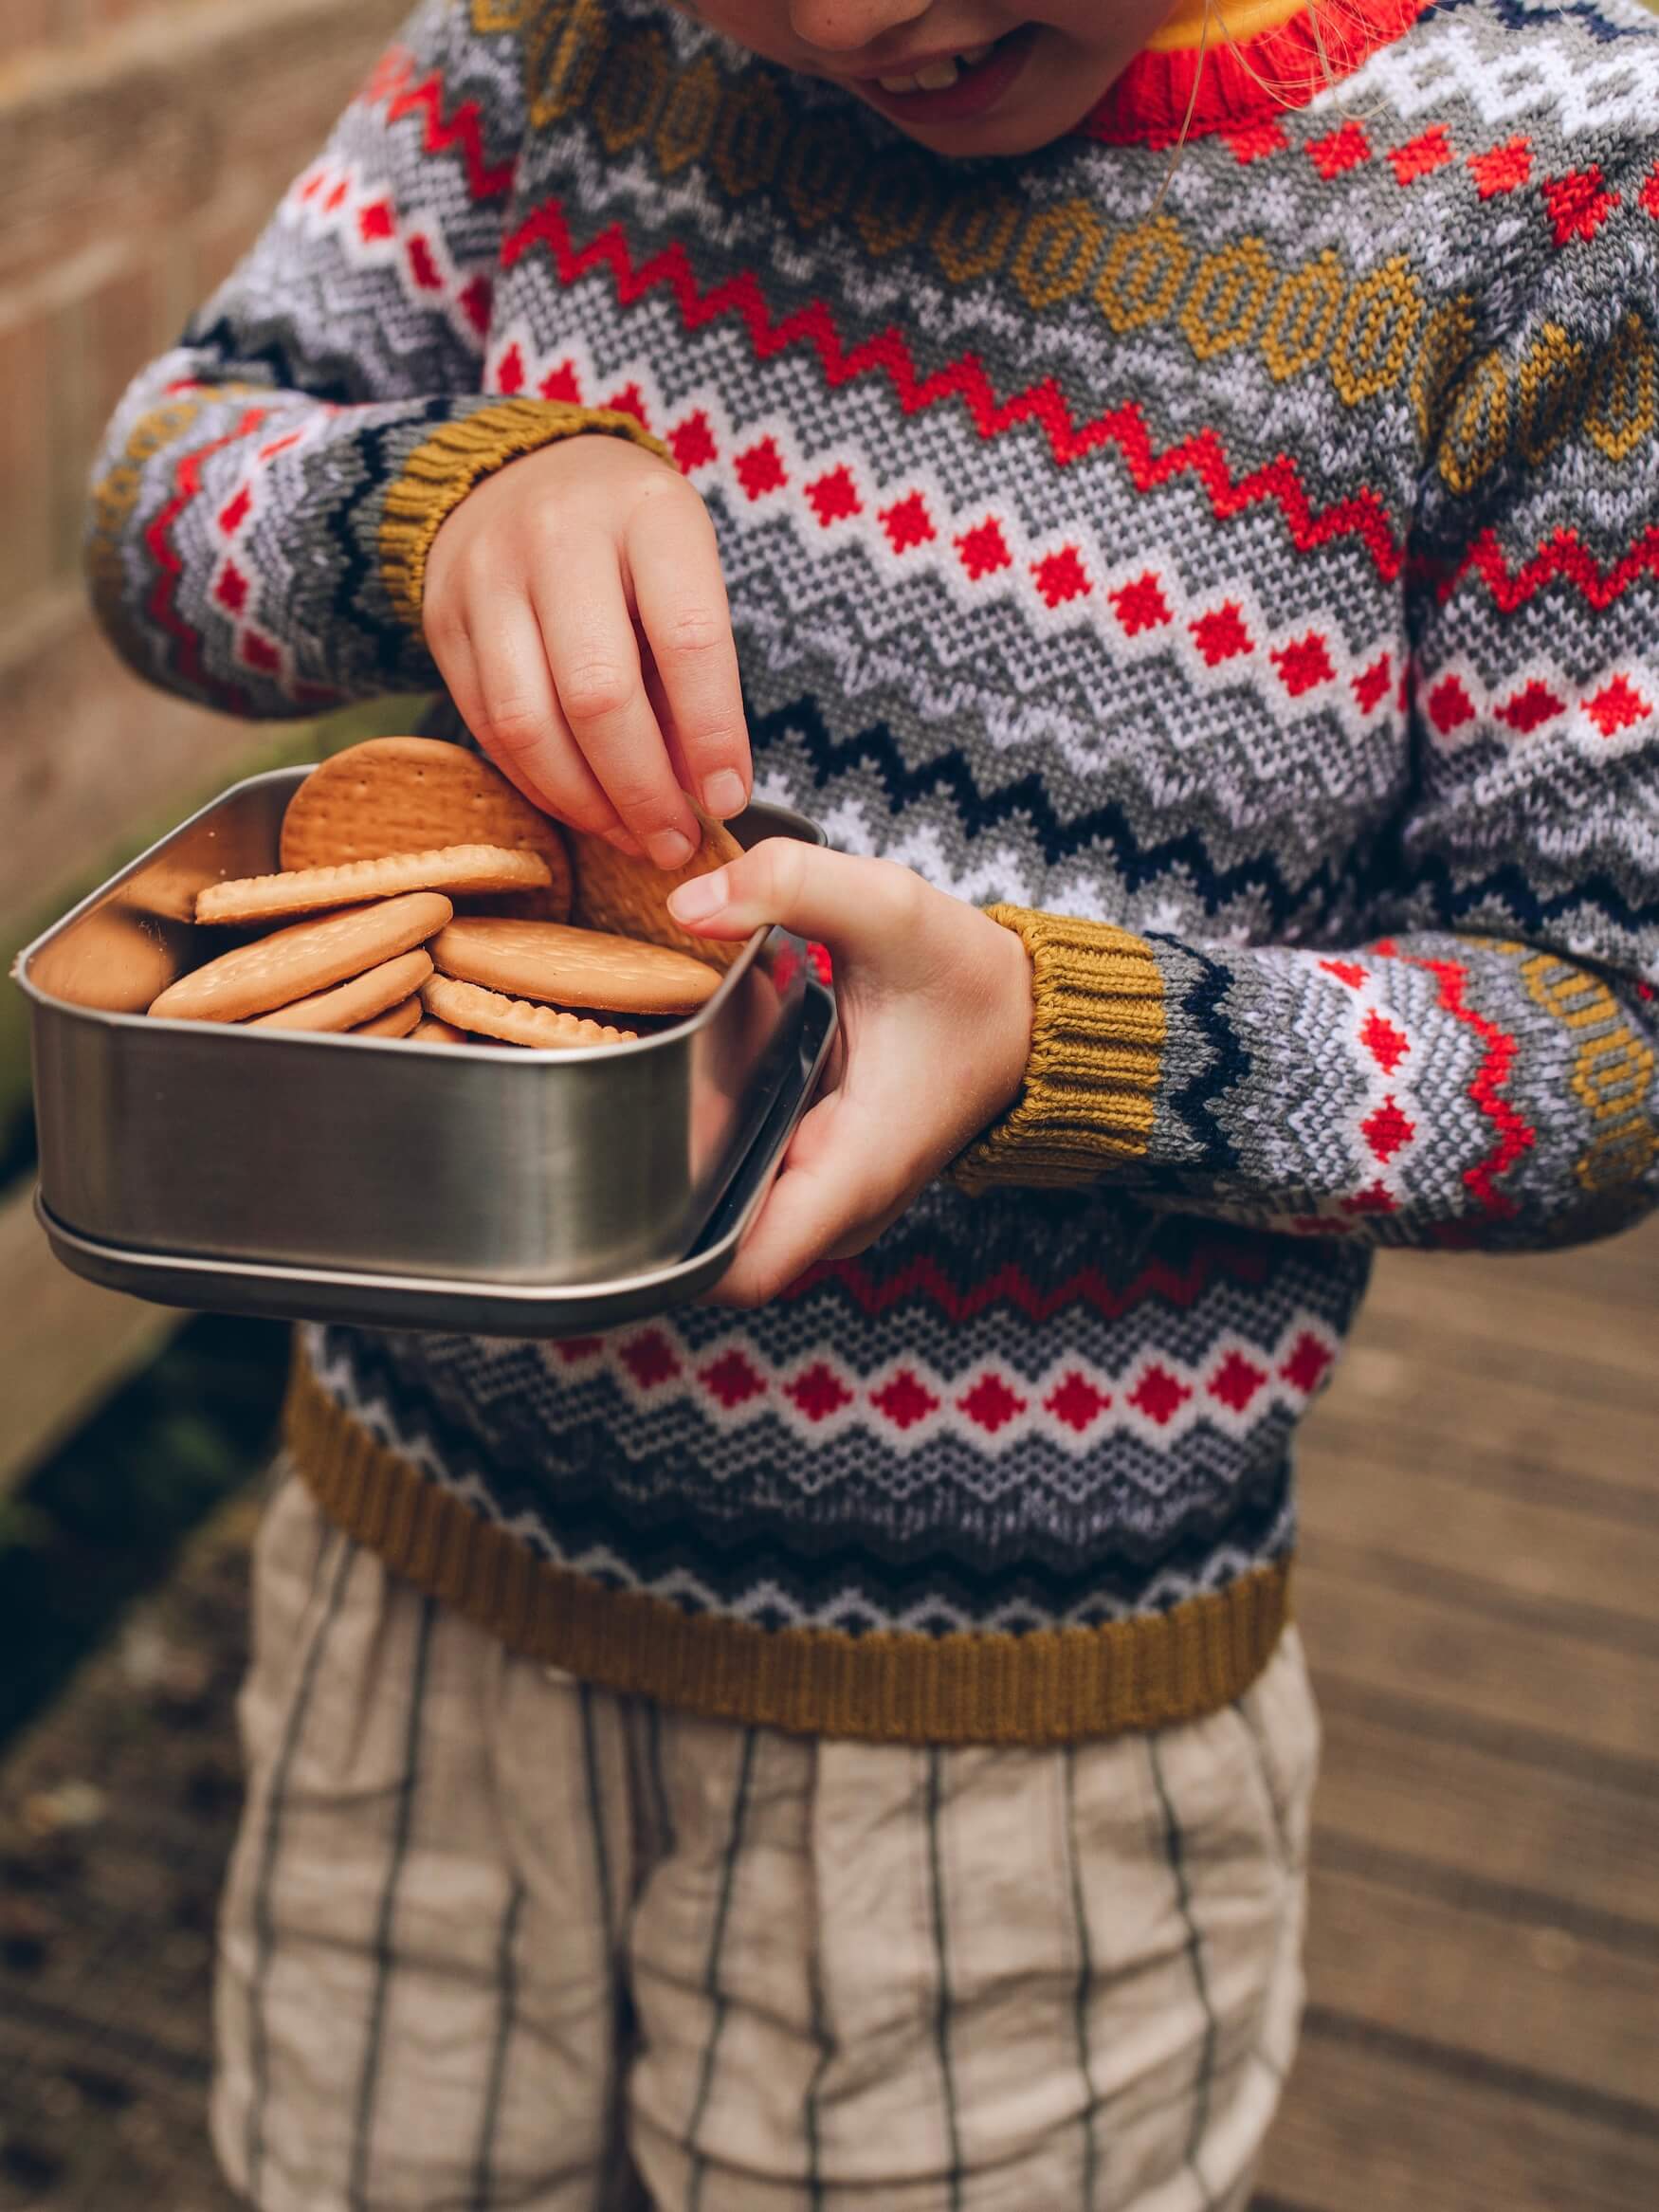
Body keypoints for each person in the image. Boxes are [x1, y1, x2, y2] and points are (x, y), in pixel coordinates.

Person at [86, 0, 1659, 2204]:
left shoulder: (1563, 195)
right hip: (407, 1612)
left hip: (1007, 1779)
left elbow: (1593, 1038)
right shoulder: (555, 37)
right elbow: (162, 489)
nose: (843, 23)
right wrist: (432, 497)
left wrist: (1076, 1036)